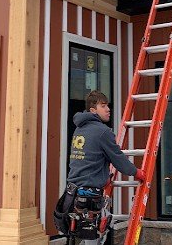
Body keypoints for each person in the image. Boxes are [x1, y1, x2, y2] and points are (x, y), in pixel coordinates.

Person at [57, 90, 144, 245]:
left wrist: (103, 177)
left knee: (79, 236)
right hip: (89, 197)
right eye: (103, 106)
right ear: (93, 110)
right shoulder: (103, 132)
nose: (108, 109)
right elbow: (118, 159)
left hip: (72, 194)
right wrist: (136, 172)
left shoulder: (79, 129)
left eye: (107, 105)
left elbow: (88, 159)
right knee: (93, 237)